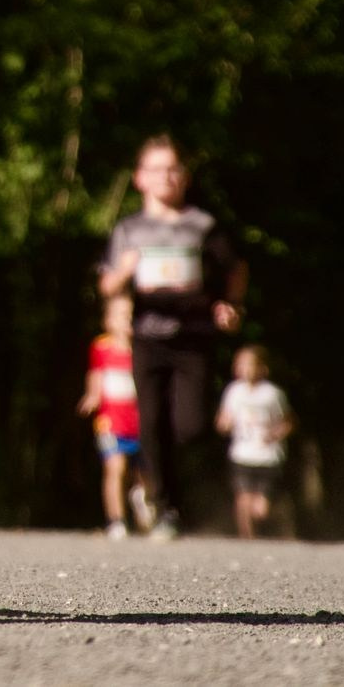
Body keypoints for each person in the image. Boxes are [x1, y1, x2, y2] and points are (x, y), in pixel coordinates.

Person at [98, 134, 246, 540]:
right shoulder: (129, 230)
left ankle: (180, 495)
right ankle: (164, 507)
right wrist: (124, 275)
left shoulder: (202, 226)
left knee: (190, 426)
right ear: (139, 178)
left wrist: (229, 306)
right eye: (157, 169)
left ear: (185, 177)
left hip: (193, 337)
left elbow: (235, 270)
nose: (167, 177)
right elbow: (107, 284)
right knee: (151, 424)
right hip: (145, 336)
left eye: (174, 168)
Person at [75, 292, 151, 539]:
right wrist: (92, 395)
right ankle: (116, 520)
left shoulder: (144, 349)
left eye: (131, 315)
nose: (127, 320)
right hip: (110, 420)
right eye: (121, 315)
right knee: (114, 467)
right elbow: (95, 374)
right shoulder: (101, 347)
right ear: (107, 320)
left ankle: (143, 502)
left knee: (144, 472)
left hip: (139, 420)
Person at [218, 344, 293, 539]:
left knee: (261, 508)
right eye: (240, 364)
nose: (245, 369)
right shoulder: (233, 391)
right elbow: (223, 419)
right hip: (242, 453)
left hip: (268, 456)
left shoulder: (272, 394)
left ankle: (269, 528)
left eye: (250, 364)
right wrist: (224, 424)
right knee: (243, 497)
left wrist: (275, 434)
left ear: (262, 368)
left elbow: (288, 421)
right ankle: (247, 538)